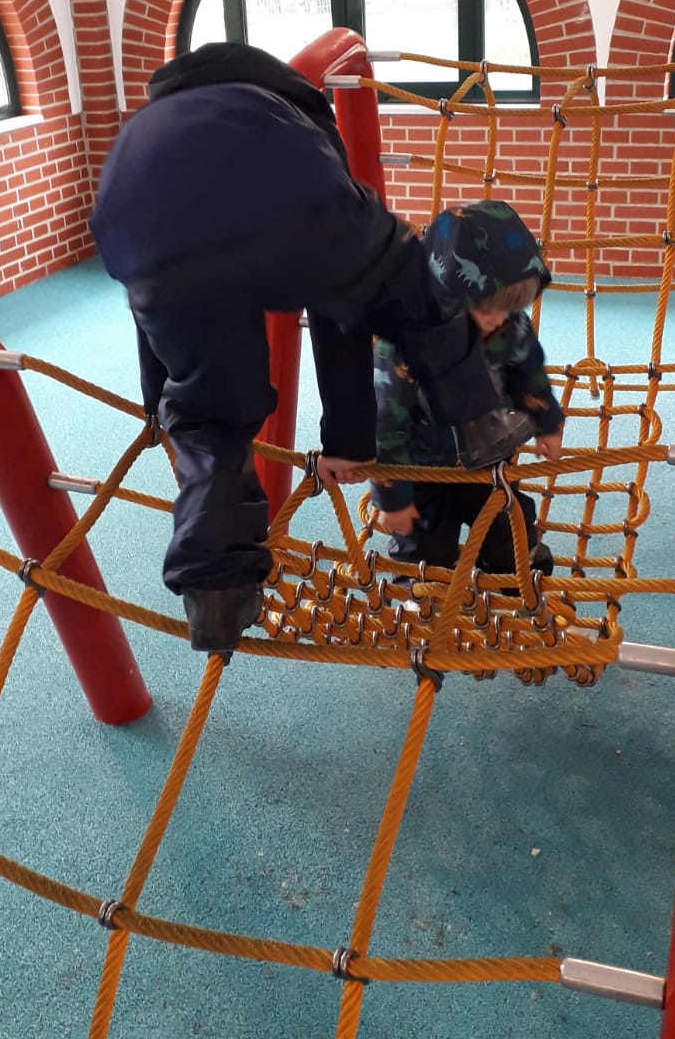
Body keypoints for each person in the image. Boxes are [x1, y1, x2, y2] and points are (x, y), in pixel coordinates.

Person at [90, 43, 535, 655]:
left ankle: (215, 590)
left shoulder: (145, 127)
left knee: (212, 414)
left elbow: (148, 315)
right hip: (283, 201)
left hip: (140, 228)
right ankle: (479, 421)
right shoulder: (291, 111)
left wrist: (160, 402)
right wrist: (349, 439)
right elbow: (338, 309)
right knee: (413, 290)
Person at [372, 200, 564, 588]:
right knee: (423, 551)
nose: (498, 319)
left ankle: (517, 570)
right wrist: (393, 499)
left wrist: (547, 421)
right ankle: (418, 591)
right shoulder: (405, 343)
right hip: (423, 469)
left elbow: (529, 372)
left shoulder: (509, 325)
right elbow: (387, 423)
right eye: (487, 309)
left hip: (488, 460)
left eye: (510, 308)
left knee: (508, 531)